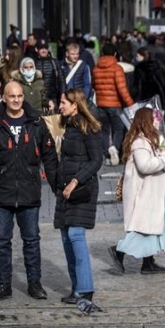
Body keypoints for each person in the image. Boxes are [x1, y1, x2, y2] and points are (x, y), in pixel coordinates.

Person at [0, 82, 59, 301]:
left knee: (31, 240)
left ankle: (34, 283)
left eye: (20, 96)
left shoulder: (36, 121)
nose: (17, 100)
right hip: (1, 191)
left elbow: (49, 155)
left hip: (29, 190)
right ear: (4, 97)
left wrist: (57, 184)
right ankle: (4, 285)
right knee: (1, 242)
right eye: (12, 96)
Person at [109, 107, 165, 275]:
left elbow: (163, 146)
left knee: (152, 227)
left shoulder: (149, 139)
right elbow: (145, 166)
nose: (156, 122)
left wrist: (161, 137)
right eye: (153, 119)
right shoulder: (140, 142)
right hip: (144, 193)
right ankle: (119, 250)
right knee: (142, 228)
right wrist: (164, 158)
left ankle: (148, 262)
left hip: (151, 192)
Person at [54, 89, 104, 313]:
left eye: (64, 102)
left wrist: (75, 181)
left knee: (75, 234)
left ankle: (85, 289)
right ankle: (76, 288)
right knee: (66, 237)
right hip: (64, 192)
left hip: (81, 190)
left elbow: (96, 161)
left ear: (75, 105)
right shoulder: (68, 127)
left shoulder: (87, 127)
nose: (60, 106)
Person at [93, 43, 135, 165]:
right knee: (118, 129)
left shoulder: (96, 68)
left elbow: (94, 86)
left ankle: (107, 155)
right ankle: (115, 148)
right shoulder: (117, 68)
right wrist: (130, 104)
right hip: (115, 105)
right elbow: (122, 89)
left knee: (104, 130)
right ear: (115, 54)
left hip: (100, 104)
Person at [33, 39, 62, 112]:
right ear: (36, 49)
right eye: (41, 48)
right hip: (37, 100)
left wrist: (62, 97)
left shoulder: (54, 62)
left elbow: (61, 81)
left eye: (45, 48)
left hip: (53, 98)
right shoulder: (32, 63)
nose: (44, 50)